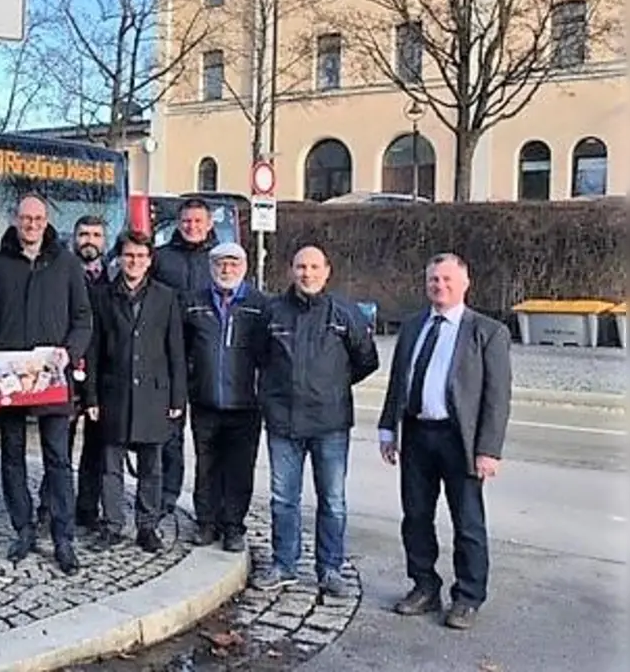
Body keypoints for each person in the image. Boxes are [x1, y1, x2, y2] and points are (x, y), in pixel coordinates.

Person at [378, 253, 512, 630]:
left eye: (448, 280)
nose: (440, 286)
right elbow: (398, 382)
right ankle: (424, 586)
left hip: (461, 441)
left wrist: (489, 449)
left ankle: (468, 596)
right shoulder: (413, 326)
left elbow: (497, 397)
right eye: (434, 280)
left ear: (465, 284)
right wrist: (389, 428)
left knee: (467, 522)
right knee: (416, 517)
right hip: (417, 436)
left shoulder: (487, 332)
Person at [0, 195, 92, 575]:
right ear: (15, 220)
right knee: (12, 456)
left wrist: (69, 353)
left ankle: (63, 535)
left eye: (38, 218)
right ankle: (23, 528)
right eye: (26, 218)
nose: (32, 224)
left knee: (57, 459)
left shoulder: (67, 264)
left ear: (47, 221)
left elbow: (83, 318)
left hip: (51, 378)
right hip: (9, 379)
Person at [252, 246, 379, 595]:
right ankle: (284, 564)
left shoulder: (345, 313)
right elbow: (259, 357)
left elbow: (366, 360)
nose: (307, 274)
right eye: (300, 267)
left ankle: (330, 569)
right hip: (283, 423)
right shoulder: (272, 312)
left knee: (333, 500)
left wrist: (333, 385)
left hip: (330, 424)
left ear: (327, 271)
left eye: (313, 267)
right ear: (291, 271)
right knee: (283, 499)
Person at [86, 231, 185, 554]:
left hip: (154, 394)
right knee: (110, 465)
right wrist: (91, 397)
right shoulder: (103, 297)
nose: (135, 262)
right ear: (119, 258)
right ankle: (112, 525)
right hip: (114, 392)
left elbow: (175, 352)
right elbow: (94, 350)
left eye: (141, 257)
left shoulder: (165, 297)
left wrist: (177, 399)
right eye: (129, 256)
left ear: (149, 260)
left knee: (151, 466)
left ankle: (148, 526)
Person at [181, 242, 263, 553]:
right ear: (211, 267)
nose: (226, 270)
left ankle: (233, 526)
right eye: (220, 264)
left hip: (245, 404)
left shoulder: (259, 305)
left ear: (244, 267)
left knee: (240, 468)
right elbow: (183, 348)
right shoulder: (194, 303)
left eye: (232, 264)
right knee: (207, 465)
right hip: (205, 401)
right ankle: (206, 522)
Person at [39, 214, 111, 530]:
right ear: (74, 238)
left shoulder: (114, 278)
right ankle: (49, 505)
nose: (89, 241)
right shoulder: (60, 272)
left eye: (96, 235)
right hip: (65, 367)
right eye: (84, 234)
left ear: (104, 242)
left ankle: (87, 509)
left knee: (95, 447)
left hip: (101, 373)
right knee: (58, 446)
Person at [149, 198, 218, 519]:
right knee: (169, 434)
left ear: (209, 224)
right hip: (166, 355)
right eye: (187, 221)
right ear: (178, 223)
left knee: (207, 440)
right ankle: (166, 497)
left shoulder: (220, 261)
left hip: (206, 359)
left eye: (198, 221)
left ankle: (208, 508)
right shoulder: (161, 259)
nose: (192, 227)